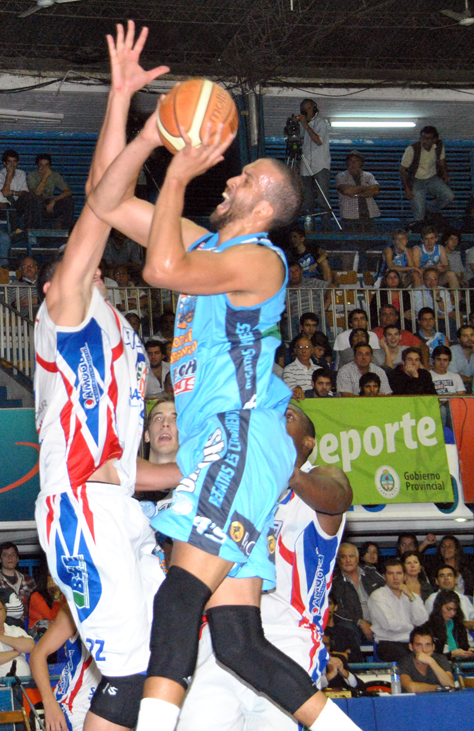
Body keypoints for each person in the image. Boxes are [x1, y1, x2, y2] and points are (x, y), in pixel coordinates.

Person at [89, 24, 359, 731]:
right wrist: (136, 120)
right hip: (226, 444)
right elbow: (104, 200)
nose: (230, 178)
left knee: (178, 597)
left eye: (243, 178)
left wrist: (178, 171)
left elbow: (160, 269)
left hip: (238, 439)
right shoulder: (208, 241)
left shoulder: (261, 259)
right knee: (237, 641)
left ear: (262, 207)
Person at [32, 25, 177, 731]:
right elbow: (97, 206)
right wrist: (135, 124)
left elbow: (104, 196)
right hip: (77, 509)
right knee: (126, 669)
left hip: (116, 505)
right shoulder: (62, 310)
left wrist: (190, 472)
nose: (83, 264)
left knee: (168, 653)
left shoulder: (120, 331)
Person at [178, 406, 352, 731]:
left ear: (309, 442)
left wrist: (286, 469)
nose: (276, 419)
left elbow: (340, 498)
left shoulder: (323, 479)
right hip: (224, 634)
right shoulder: (239, 488)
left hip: (289, 637)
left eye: (288, 416)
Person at [29, 604, 101, 731]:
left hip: (111, 707)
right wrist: (49, 703)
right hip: (74, 710)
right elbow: (37, 654)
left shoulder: (132, 611)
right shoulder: (77, 606)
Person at [368, 557, 429, 662]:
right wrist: (412, 627)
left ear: (404, 576)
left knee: (433, 658)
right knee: (411, 661)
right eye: (391, 574)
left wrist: (411, 597)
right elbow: (390, 624)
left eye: (399, 573)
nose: (395, 577)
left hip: (412, 643)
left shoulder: (413, 596)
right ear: (384, 576)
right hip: (388, 643)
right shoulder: (378, 596)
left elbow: (422, 620)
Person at [332, 543, 385, 662]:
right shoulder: (334, 581)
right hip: (354, 626)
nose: (348, 560)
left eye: (351, 556)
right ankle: (356, 669)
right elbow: (335, 610)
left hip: (379, 623)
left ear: (357, 558)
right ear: (338, 560)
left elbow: (388, 594)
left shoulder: (371, 574)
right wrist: (360, 622)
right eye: (343, 557)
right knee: (345, 630)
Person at [400, 126, 454, 223]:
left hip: (432, 177)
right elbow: (403, 169)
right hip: (416, 180)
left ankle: (430, 210)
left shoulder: (439, 146)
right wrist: (407, 188)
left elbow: (442, 161)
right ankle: (420, 224)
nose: (425, 141)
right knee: (419, 211)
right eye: (423, 138)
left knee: (448, 196)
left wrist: (445, 174)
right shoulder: (412, 149)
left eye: (428, 139)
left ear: (434, 139)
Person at [397, 625, 454, 693]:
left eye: (428, 645)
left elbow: (450, 685)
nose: (424, 650)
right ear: (411, 647)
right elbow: (411, 688)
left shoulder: (440, 659)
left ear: (433, 647)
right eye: (419, 645)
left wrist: (431, 662)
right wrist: (438, 688)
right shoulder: (404, 662)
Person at [27, 154, 75, 231]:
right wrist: (45, 177)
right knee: (37, 200)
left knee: (69, 200)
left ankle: (66, 230)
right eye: (41, 165)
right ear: (37, 165)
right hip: (37, 206)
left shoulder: (54, 175)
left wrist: (54, 200)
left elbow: (68, 191)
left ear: (50, 166)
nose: (44, 168)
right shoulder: (32, 175)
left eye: (46, 165)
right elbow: (37, 193)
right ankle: (39, 231)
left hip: (50, 203)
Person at [335, 150, 380, 232]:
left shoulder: (368, 176)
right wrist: (366, 188)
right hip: (349, 216)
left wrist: (357, 194)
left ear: (361, 163)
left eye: (356, 161)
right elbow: (347, 191)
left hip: (368, 215)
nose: (353, 164)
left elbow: (375, 190)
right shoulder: (341, 176)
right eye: (350, 161)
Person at [426, 590, 474, 660]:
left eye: (455, 610)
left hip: (461, 663)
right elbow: (432, 656)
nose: (452, 613)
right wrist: (452, 654)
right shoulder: (429, 628)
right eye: (448, 609)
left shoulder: (459, 626)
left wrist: (469, 652)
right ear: (439, 607)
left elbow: (465, 647)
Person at [0, 542, 37, 618]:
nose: (10, 557)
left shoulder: (28, 580)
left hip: (27, 622)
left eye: (13, 554)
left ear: (17, 558)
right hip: (5, 623)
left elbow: (36, 604)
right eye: (5, 555)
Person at [28, 562, 63, 633]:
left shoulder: (65, 595)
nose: (54, 579)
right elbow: (52, 619)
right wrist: (56, 597)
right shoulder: (36, 596)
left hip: (59, 632)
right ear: (45, 577)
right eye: (50, 575)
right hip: (39, 633)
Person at [283, 335, 320, 400]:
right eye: (300, 348)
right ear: (295, 350)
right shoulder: (289, 370)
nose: (304, 351)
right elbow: (293, 391)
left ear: (312, 350)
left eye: (307, 347)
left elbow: (327, 393)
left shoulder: (319, 370)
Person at [450, 324, 474, 392]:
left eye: (472, 335)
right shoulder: (452, 351)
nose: (469, 338)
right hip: (456, 389)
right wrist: (471, 380)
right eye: (465, 336)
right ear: (459, 339)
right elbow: (453, 376)